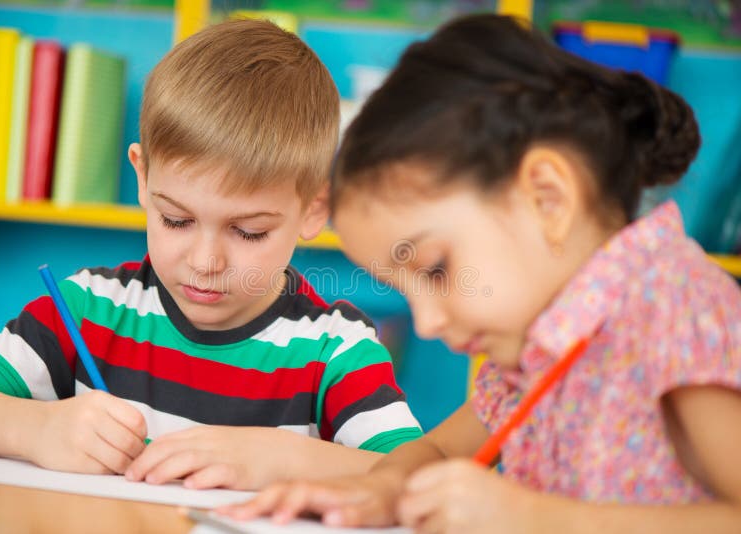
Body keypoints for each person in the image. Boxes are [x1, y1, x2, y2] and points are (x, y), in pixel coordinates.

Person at [218, 14, 741, 532]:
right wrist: (381, 489)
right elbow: (443, 450)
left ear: (548, 199)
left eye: (436, 269)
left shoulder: (674, 308)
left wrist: (536, 520)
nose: (427, 323)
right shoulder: (537, 345)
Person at [0, 19, 422, 490]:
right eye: (176, 220)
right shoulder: (90, 308)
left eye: (249, 231)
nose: (206, 262)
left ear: (313, 209)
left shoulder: (335, 349)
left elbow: (420, 480)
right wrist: (36, 429)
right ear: (144, 178)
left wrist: (287, 458)